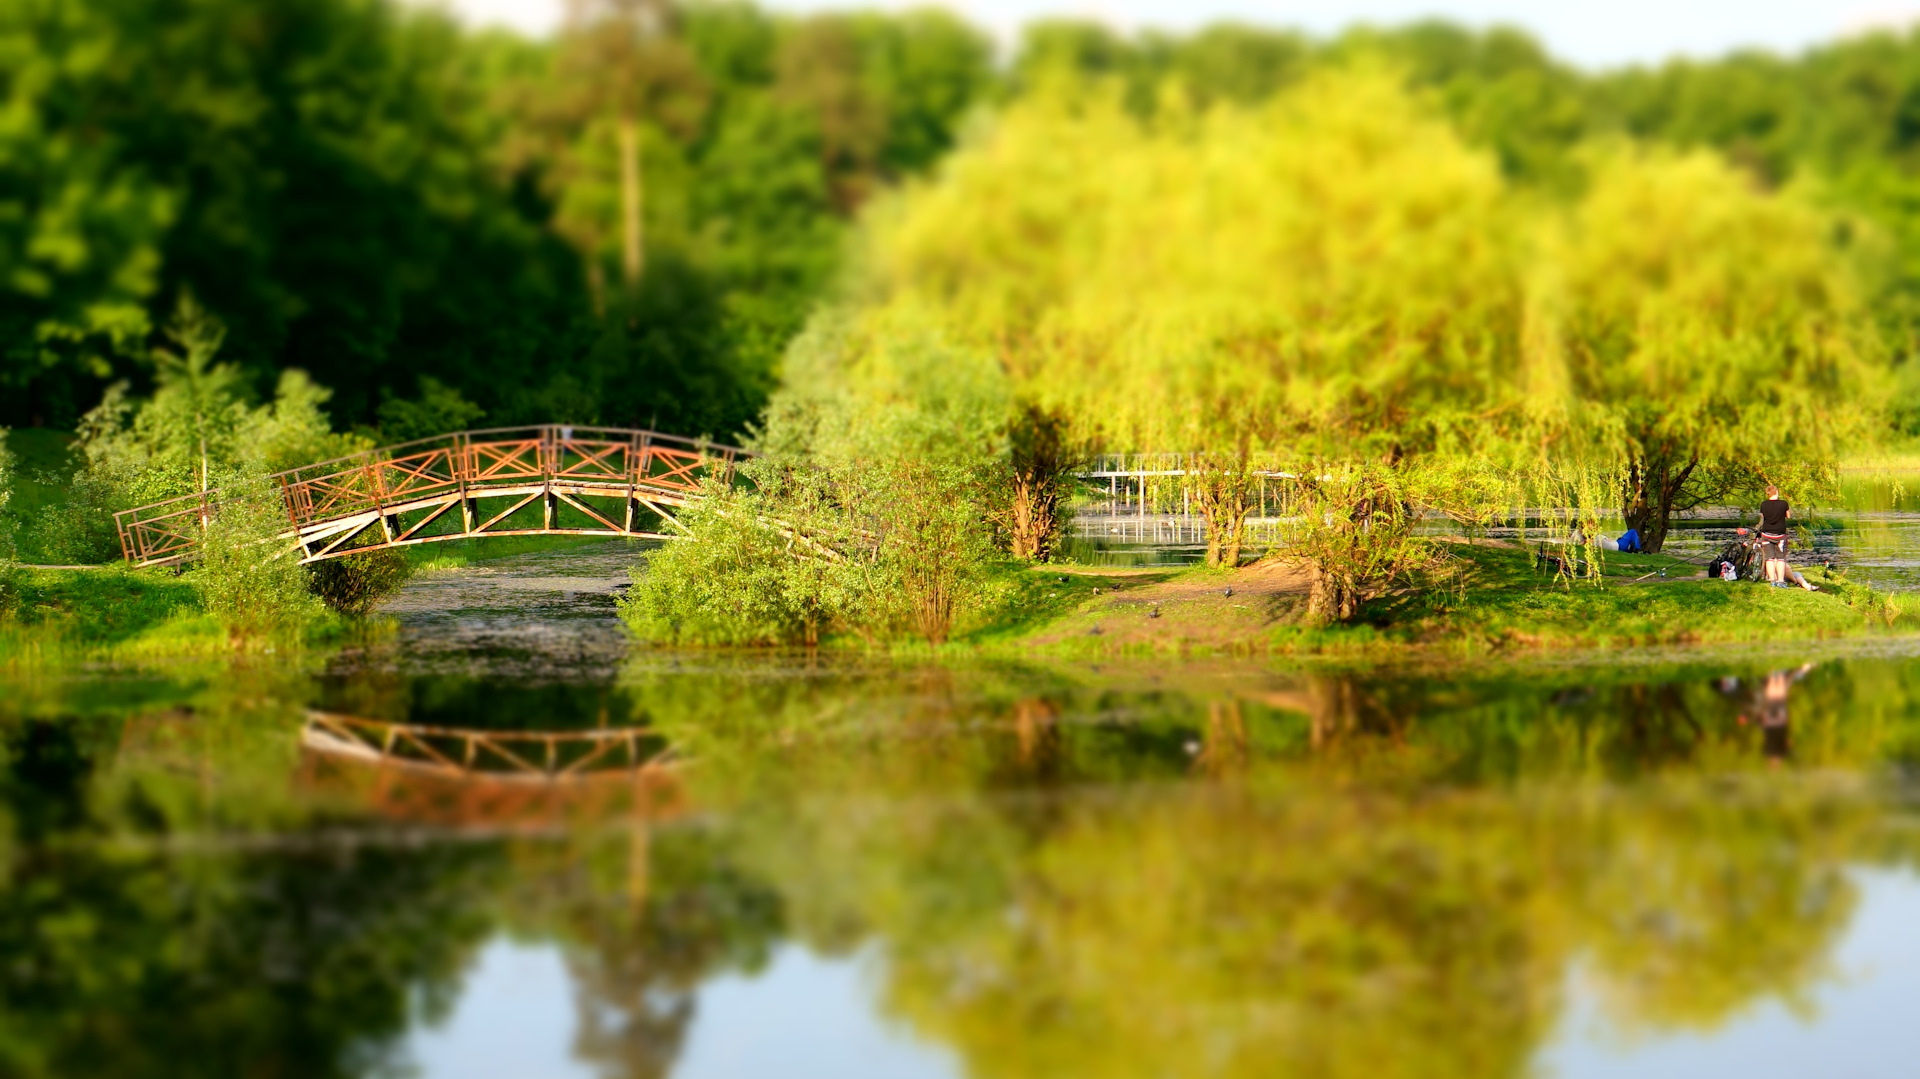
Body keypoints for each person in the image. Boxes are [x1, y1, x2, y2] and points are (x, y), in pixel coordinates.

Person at [1753, 485, 1814, 590]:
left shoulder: (1763, 504)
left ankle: (1772, 581)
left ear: (1768, 493)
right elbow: (1788, 516)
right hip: (1779, 535)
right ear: (1776, 492)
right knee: (1780, 558)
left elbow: (1763, 517)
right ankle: (1780, 581)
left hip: (1766, 534)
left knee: (1769, 558)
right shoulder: (1783, 503)